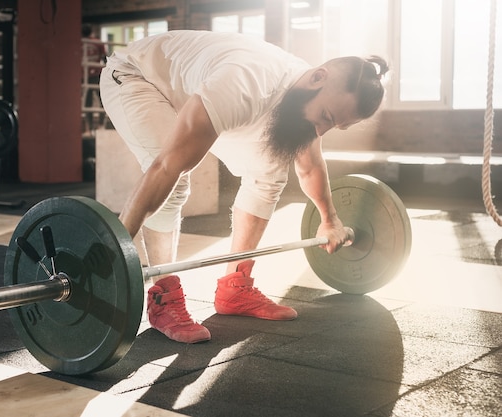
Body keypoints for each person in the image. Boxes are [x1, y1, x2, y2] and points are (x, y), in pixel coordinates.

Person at [99, 30, 388, 344]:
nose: (321, 129)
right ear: (318, 77)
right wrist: (116, 248)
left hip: (197, 90)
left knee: (270, 171)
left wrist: (330, 219)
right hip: (136, 77)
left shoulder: (304, 93)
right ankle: (163, 296)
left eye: (334, 125)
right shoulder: (245, 82)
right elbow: (166, 166)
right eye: (326, 117)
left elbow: (309, 166)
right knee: (176, 174)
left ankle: (234, 288)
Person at [82, 24, 107, 132]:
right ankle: (100, 124)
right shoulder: (97, 42)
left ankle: (90, 126)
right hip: (96, 74)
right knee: (102, 100)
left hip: (84, 75)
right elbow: (105, 58)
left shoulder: (79, 43)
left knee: (88, 101)